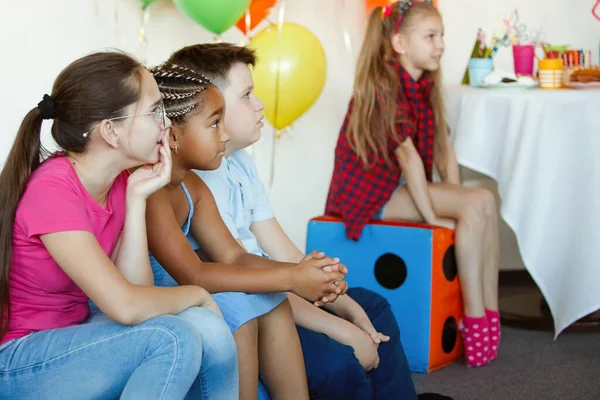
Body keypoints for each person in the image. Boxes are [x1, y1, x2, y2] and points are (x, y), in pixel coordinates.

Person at [166, 42, 452, 400]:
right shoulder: (200, 181)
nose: (260, 105)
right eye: (247, 95)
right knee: (339, 360)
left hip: (278, 285)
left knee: (373, 306)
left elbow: (282, 250)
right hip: (259, 295)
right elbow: (245, 275)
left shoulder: (241, 164)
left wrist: (334, 292)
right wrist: (338, 325)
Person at [0, 51, 238, 399]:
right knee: (172, 338)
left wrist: (137, 198)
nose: (166, 124)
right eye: (155, 111)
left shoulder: (123, 184)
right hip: (22, 359)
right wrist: (198, 294)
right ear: (111, 131)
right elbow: (125, 305)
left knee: (208, 330)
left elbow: (136, 291)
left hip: (77, 335)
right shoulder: (52, 189)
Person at [146, 62, 346, 400]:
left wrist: (303, 272)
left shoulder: (191, 186)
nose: (225, 133)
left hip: (195, 295)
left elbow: (234, 255)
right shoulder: (152, 193)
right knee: (238, 309)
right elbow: (194, 273)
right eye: (213, 124)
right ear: (173, 135)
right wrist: (292, 279)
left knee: (274, 300)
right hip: (158, 303)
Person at [325, 0, 501, 368]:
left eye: (442, 36)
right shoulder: (383, 86)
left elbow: (443, 151)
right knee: (472, 205)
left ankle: (488, 311)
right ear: (400, 43)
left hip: (396, 186)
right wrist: (432, 218)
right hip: (368, 194)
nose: (440, 45)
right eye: (431, 36)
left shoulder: (425, 85)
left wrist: (459, 198)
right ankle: (474, 319)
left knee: (482, 201)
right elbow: (408, 159)